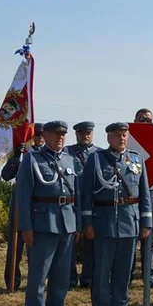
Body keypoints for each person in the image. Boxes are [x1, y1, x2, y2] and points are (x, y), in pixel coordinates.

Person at [79, 122, 151, 306]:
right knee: (102, 271)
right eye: (117, 135)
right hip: (105, 222)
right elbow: (86, 195)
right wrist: (88, 223)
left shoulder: (136, 159)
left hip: (130, 221)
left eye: (124, 135)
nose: (122, 139)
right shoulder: (97, 159)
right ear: (109, 138)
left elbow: (144, 192)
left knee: (124, 271)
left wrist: (146, 221)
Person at [15, 121, 80, 306]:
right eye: (56, 133)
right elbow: (23, 197)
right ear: (46, 135)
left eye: (63, 133)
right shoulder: (32, 159)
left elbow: (76, 196)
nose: (60, 137)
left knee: (61, 277)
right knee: (38, 277)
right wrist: (26, 227)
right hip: (42, 224)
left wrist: (77, 224)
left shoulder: (70, 159)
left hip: (66, 223)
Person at [0, 122, 45, 291]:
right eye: (35, 136)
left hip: (39, 202)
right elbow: (6, 176)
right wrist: (16, 156)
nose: (38, 139)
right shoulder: (22, 153)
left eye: (41, 136)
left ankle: (35, 281)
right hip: (20, 201)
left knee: (37, 244)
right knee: (15, 244)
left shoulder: (48, 155)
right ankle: (12, 281)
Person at [64, 121, 100, 290]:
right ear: (76, 134)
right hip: (72, 202)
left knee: (92, 242)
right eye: (82, 133)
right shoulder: (67, 152)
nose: (85, 136)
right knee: (71, 241)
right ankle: (70, 278)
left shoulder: (100, 154)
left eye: (88, 133)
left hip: (93, 203)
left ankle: (88, 278)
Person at [129, 108, 153, 289]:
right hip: (132, 200)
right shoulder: (128, 140)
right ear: (135, 120)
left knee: (149, 239)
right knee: (132, 238)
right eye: (142, 119)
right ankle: (128, 273)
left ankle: (148, 275)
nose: (145, 123)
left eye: (149, 120)